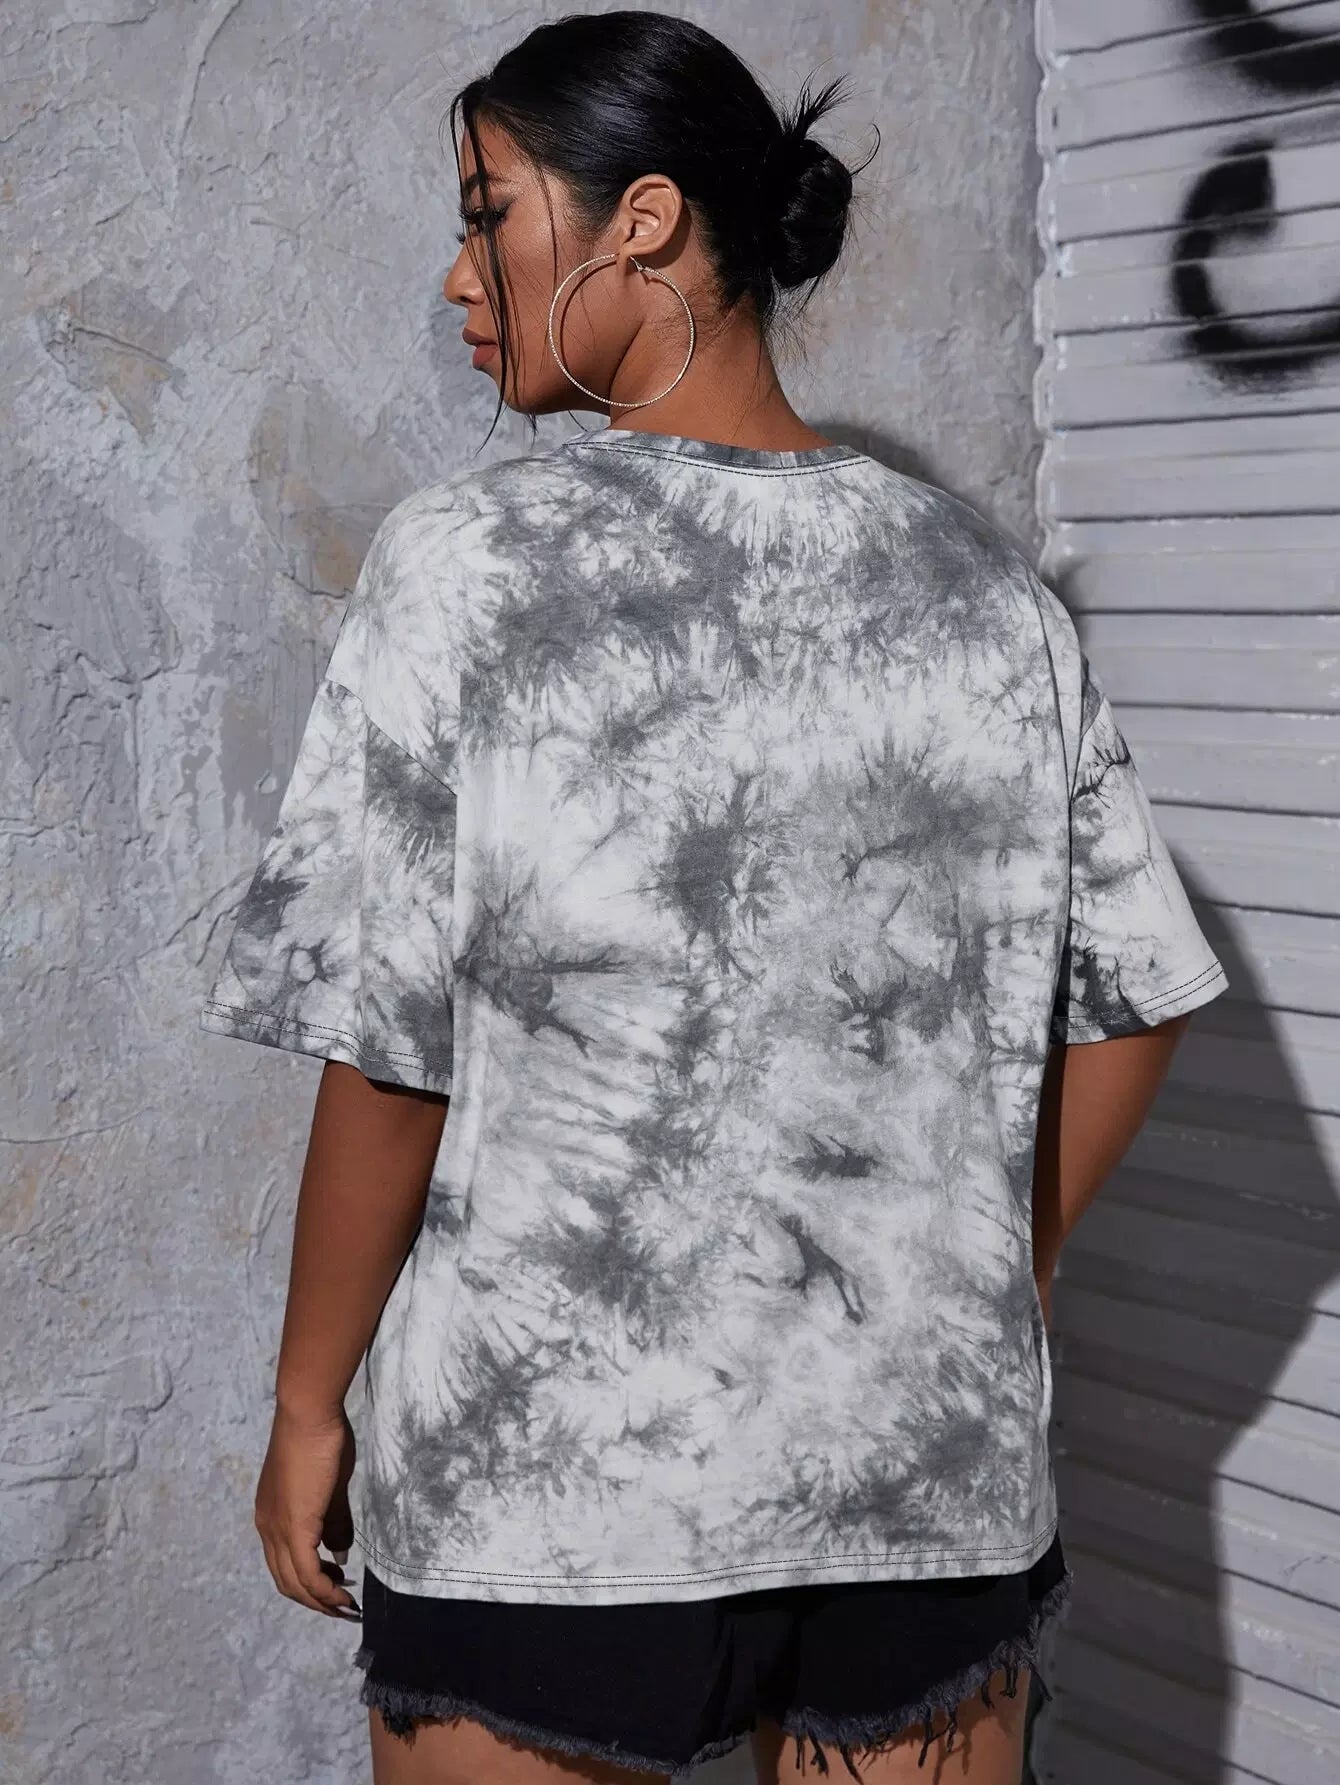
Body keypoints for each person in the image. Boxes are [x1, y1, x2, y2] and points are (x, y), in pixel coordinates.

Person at [199, 11, 1228, 1783]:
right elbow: (1135, 1003)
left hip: (552, 1490)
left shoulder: (471, 565)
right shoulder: (983, 586)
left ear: (648, 223)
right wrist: (996, 1269)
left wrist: (307, 1400)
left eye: (490, 215)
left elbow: (389, 1049)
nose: (459, 278)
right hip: (914, 1479)